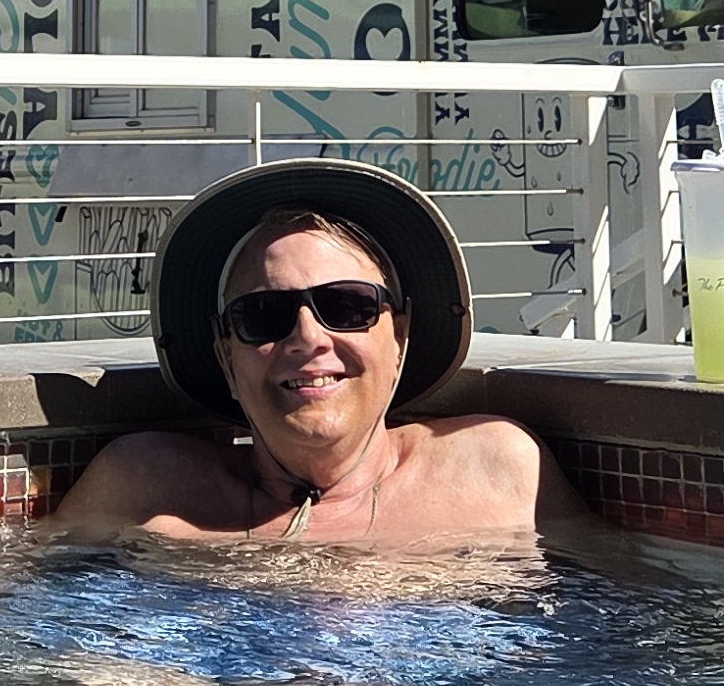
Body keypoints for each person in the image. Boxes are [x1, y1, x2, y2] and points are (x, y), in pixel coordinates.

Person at [53, 161, 586, 547]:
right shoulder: (142, 491)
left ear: (399, 338)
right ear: (227, 359)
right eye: (263, 314)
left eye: (347, 306)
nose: (307, 338)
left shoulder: (500, 473)